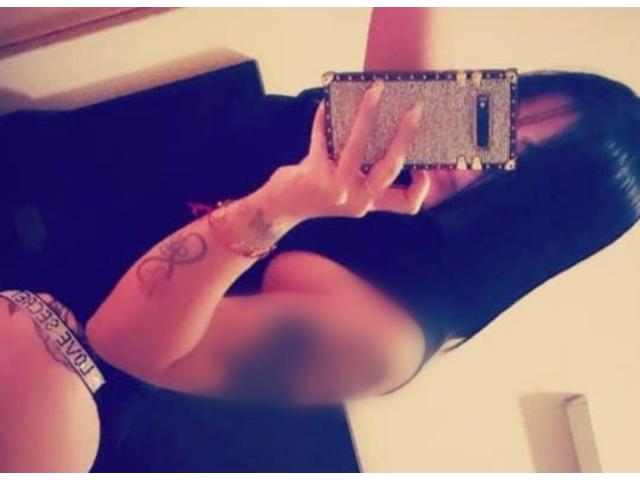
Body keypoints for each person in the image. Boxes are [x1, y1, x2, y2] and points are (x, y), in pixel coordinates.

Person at [1, 7, 639, 473]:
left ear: (531, 227)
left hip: (61, 376)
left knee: (30, 335)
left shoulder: (384, 337)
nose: (473, 160)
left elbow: (120, 342)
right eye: (502, 120)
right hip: (41, 238)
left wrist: (275, 209)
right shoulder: (413, 134)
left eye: (516, 166)